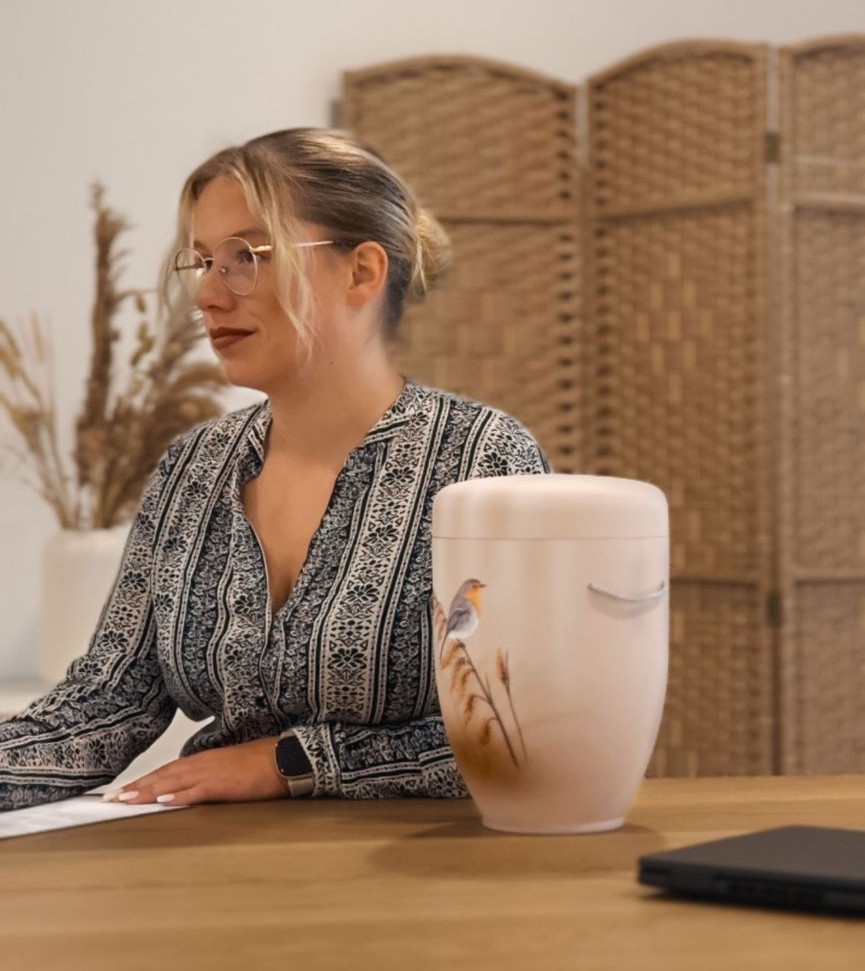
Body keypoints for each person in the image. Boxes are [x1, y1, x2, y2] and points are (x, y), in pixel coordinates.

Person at [0, 128, 551, 811]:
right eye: (201, 261)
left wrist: (290, 761)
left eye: (247, 256)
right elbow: (103, 706)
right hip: (211, 877)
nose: (207, 293)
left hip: (422, 878)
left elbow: (527, 728)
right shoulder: (193, 467)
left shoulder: (482, 463)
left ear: (362, 272)